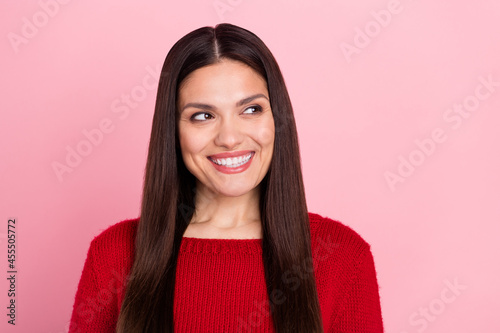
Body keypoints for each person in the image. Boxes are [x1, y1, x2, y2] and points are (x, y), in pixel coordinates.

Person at [69, 23, 384, 333]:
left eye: (250, 110)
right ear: (174, 132)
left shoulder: (342, 258)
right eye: (203, 116)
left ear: (278, 118)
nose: (230, 138)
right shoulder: (114, 256)